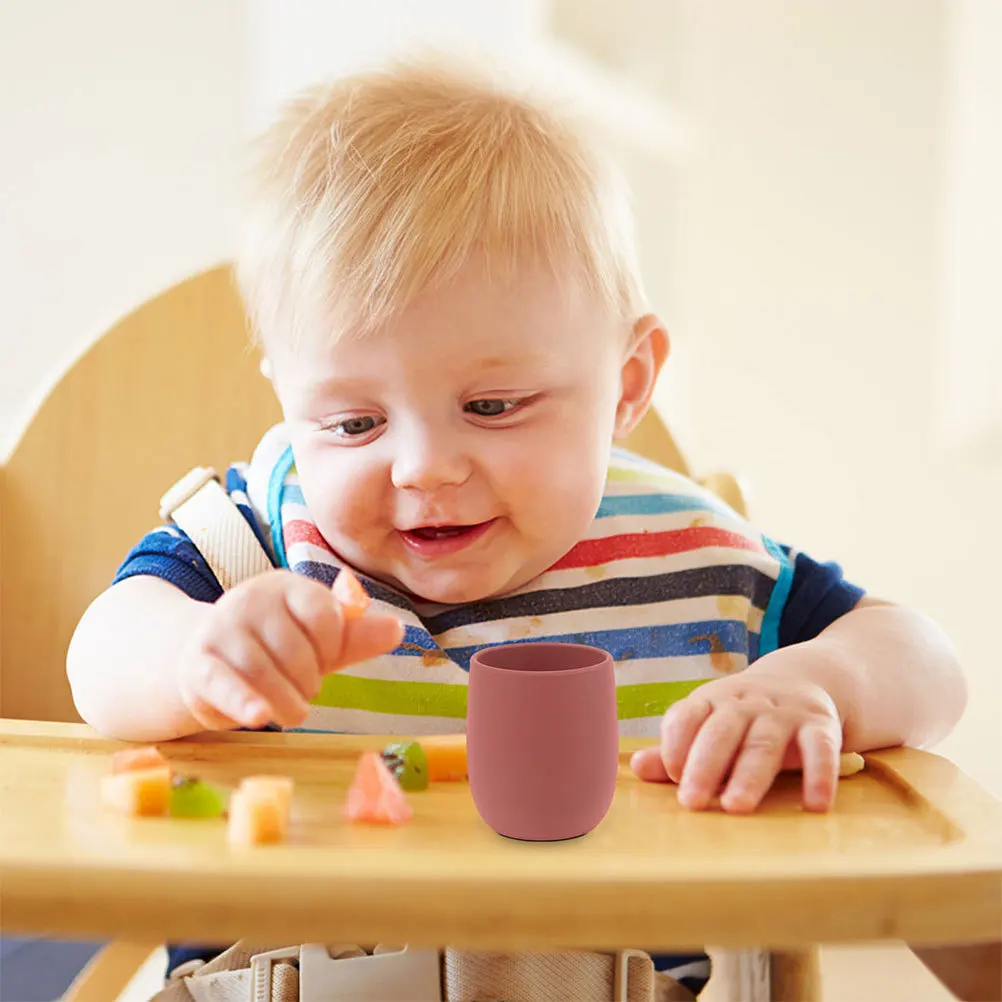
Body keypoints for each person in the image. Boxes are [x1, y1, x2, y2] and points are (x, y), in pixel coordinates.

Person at [66, 61, 967, 1000]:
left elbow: (926, 664)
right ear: (289, 401)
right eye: (353, 424)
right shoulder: (254, 550)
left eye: (491, 405)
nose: (420, 467)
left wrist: (817, 682)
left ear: (625, 386)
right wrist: (194, 656)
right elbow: (99, 661)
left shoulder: (694, 569)